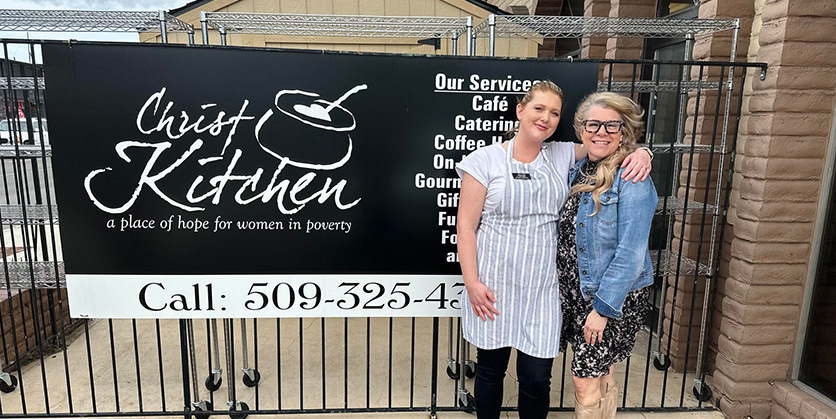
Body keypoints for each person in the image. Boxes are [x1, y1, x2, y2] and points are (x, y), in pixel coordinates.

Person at [456, 82, 652, 419]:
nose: (545, 118)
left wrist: (644, 152)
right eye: (538, 109)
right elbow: (465, 227)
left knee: (536, 379)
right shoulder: (484, 160)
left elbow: (606, 145)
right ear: (520, 111)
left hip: (544, 288)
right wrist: (472, 283)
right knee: (489, 370)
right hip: (493, 283)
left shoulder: (562, 154)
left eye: (554, 113)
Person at [557, 92, 658, 419]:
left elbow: (631, 253)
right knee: (602, 370)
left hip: (609, 298)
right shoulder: (579, 169)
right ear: (581, 130)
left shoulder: (631, 178)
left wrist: (602, 310)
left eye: (611, 126)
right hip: (579, 294)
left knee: (584, 378)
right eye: (593, 125)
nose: (601, 132)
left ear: (624, 131)